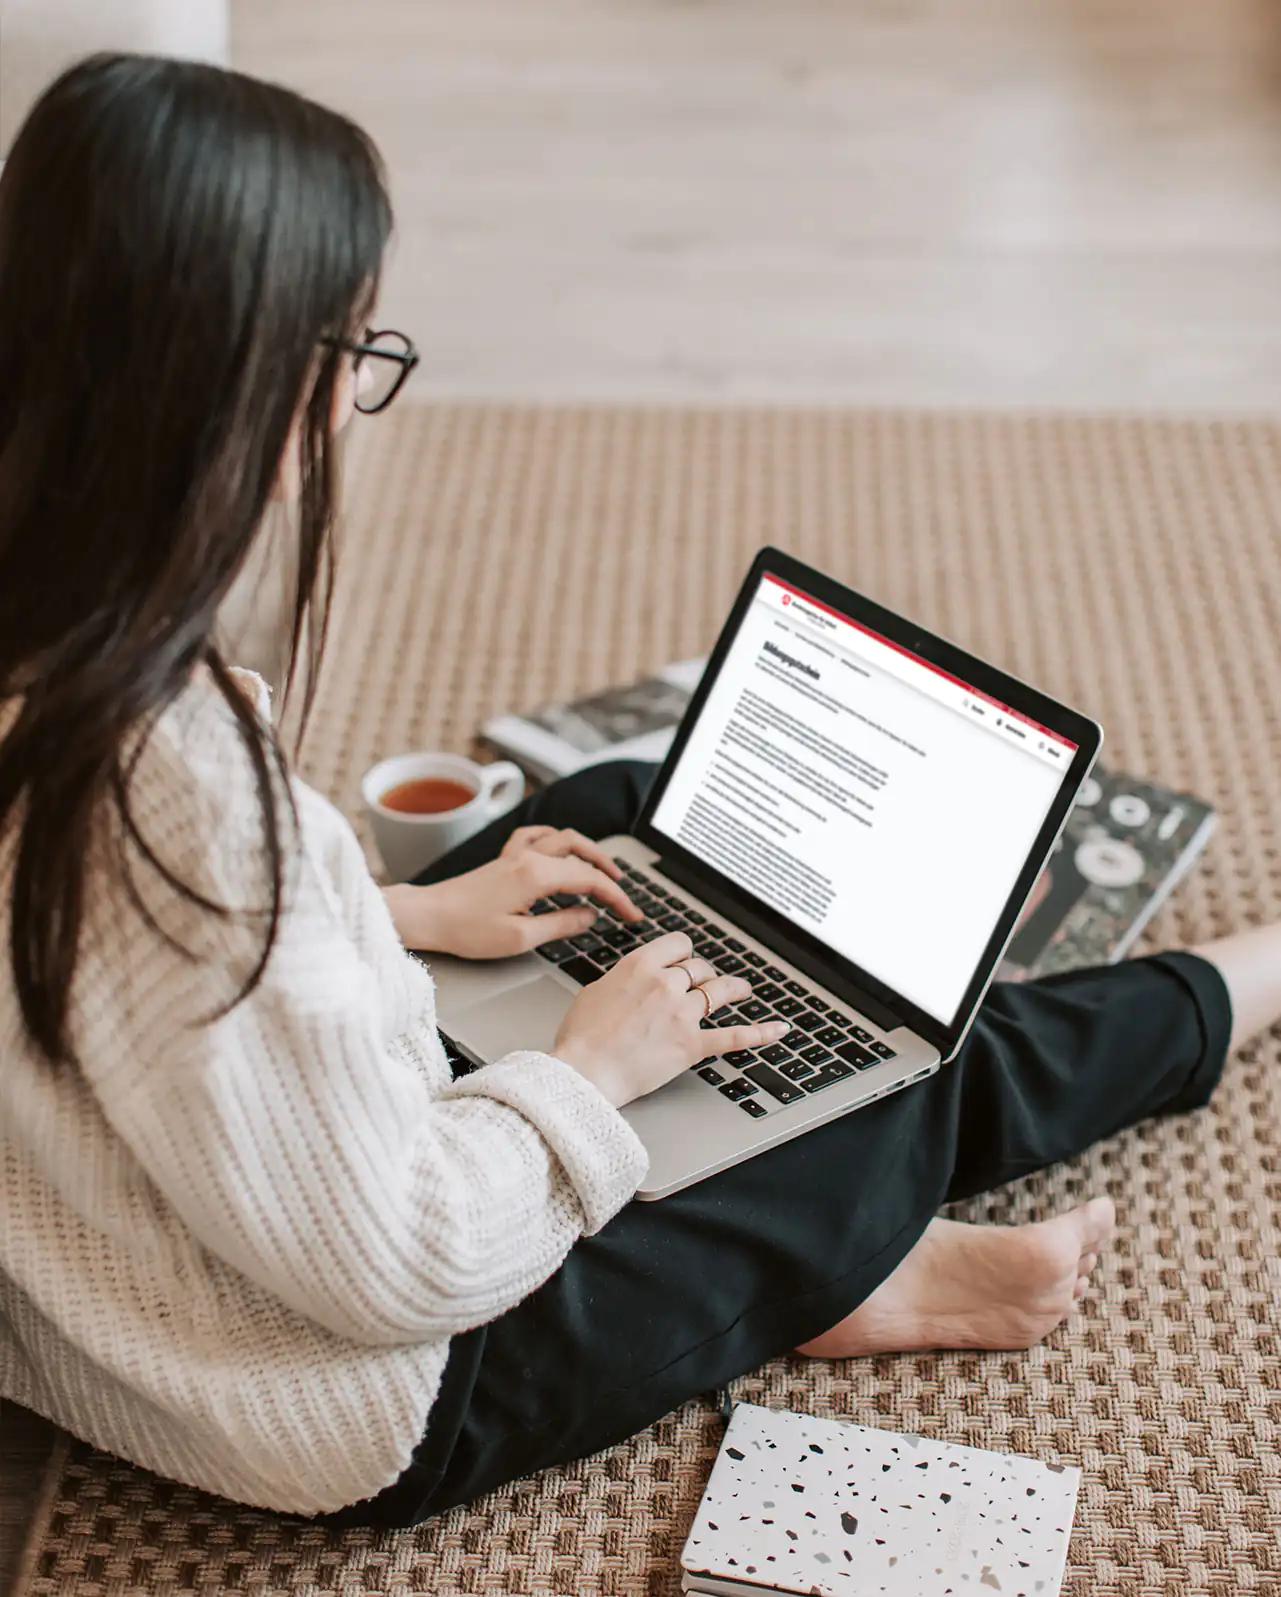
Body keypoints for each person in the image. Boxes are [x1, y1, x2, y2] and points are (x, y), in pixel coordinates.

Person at [0, 53, 1271, 1530]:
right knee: (891, 1055)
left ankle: (797, 1244)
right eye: (353, 355)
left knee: (612, 815)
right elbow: (403, 1255)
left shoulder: (77, 676)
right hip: (355, 1384)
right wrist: (592, 1066)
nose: (355, 401)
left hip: (161, 1242)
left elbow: (145, 989)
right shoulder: (184, 794)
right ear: (243, 384)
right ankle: (846, 1264)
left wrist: (406, 914)